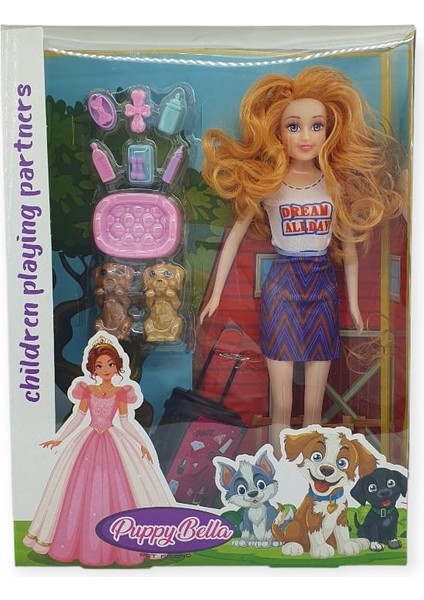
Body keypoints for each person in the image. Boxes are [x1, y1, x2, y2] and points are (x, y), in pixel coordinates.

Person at [200, 66, 402, 452]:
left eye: (316, 126)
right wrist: (215, 295)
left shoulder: (335, 186)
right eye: (294, 126)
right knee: (281, 402)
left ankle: (309, 471)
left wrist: (354, 304)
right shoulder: (269, 186)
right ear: (277, 132)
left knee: (313, 407)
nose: (306, 136)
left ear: (330, 131)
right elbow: (233, 239)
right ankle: (279, 470)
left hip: (323, 286)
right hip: (283, 286)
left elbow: (349, 248)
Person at [23, 333, 174, 567]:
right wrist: (59, 439)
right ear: (93, 368)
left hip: (114, 441)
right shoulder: (88, 390)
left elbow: (125, 421)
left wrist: (141, 443)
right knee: (77, 487)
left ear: (117, 366)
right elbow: (78, 417)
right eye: (100, 365)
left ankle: (124, 542)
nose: (105, 369)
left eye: (110, 364)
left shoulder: (121, 392)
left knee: (122, 487)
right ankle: (75, 543)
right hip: (88, 441)